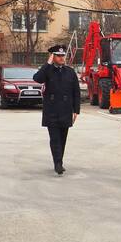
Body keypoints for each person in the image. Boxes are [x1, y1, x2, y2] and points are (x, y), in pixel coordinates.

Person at [33, 44, 81, 175]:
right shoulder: (47, 70)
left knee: (62, 138)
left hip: (66, 110)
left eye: (63, 55)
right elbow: (37, 79)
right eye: (58, 56)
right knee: (54, 138)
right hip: (52, 110)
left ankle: (59, 161)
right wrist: (48, 63)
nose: (61, 58)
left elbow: (76, 92)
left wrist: (76, 110)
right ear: (53, 57)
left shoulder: (70, 72)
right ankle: (58, 163)